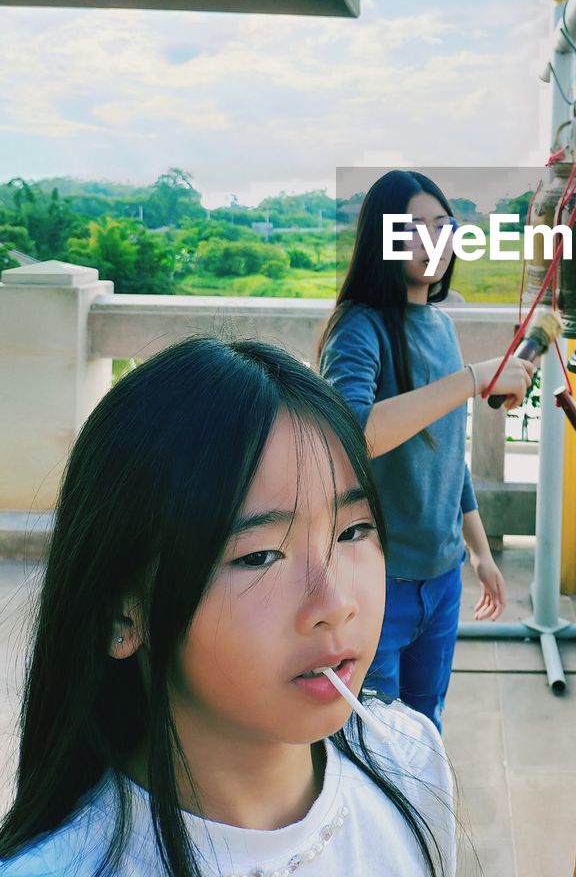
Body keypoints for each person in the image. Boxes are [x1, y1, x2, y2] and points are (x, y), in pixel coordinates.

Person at [0, 337, 456, 877]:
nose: (335, 604)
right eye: (260, 556)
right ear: (124, 613)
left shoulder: (412, 763)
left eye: (353, 530)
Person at [319, 170, 534, 732]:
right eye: (412, 228)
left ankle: (419, 822)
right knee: (373, 742)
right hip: (378, 586)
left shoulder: (441, 325)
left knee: (426, 726)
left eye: (442, 226)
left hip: (443, 578)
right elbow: (351, 436)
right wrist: (471, 379)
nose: (432, 241)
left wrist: (480, 553)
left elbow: (448, 456)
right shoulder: (360, 329)